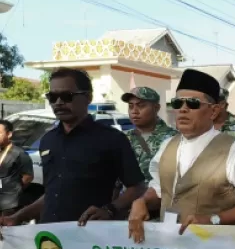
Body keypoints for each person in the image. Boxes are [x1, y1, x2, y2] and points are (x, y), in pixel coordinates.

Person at [128, 69, 235, 243]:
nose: (183, 110)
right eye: (178, 103)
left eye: (193, 104)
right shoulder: (167, 145)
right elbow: (158, 190)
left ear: (213, 111)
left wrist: (213, 220)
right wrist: (142, 202)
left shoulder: (234, 150)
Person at [0, 68, 145, 226]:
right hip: (49, 237)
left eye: (66, 96)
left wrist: (110, 209)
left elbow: (137, 187)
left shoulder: (112, 139)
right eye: (53, 97)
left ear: (88, 97)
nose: (59, 102)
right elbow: (52, 194)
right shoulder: (48, 140)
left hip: (90, 236)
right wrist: (18, 217)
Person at [122, 87, 178, 184]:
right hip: (127, 197)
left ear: (156, 108)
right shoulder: (123, 138)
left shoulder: (173, 138)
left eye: (141, 106)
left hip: (160, 196)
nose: (134, 111)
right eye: (131, 106)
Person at [0, 119, 34, 216]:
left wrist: (13, 189)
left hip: (9, 203)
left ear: (9, 134)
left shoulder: (19, 154)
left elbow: (27, 177)